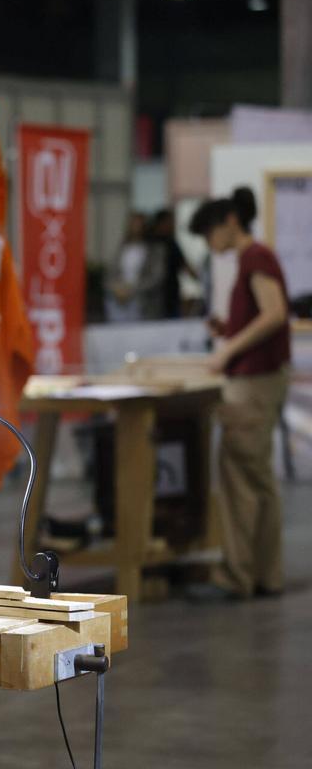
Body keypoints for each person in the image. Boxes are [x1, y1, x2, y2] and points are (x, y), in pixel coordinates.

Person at [189, 186, 291, 600]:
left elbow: (275, 313)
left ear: (230, 221)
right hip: (260, 379)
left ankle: (237, 576)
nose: (211, 245)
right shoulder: (254, 258)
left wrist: (228, 349)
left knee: (241, 482)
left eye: (210, 233)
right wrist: (227, 331)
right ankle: (265, 575)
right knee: (257, 480)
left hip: (253, 383)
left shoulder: (255, 257)